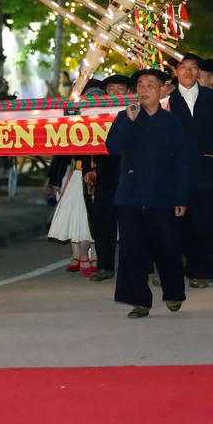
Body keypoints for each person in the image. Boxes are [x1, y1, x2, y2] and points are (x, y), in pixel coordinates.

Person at [106, 67, 189, 318]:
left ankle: (173, 292)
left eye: (150, 85)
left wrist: (181, 197)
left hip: (163, 196)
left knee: (168, 247)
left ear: (162, 89)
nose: (143, 89)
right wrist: (129, 122)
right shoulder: (126, 116)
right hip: (130, 196)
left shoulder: (172, 122)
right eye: (140, 85)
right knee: (132, 250)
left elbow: (182, 162)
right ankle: (139, 300)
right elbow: (113, 147)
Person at [168, 54, 213, 288]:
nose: (189, 72)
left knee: (207, 223)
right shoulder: (165, 100)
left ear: (199, 72)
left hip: (207, 170)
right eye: (183, 67)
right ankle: (171, 269)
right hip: (172, 172)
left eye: (194, 68)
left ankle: (201, 272)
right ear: (176, 71)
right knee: (172, 224)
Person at [85, 73, 129, 281]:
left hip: (131, 177)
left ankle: (134, 268)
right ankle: (105, 266)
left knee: (131, 226)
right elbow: (84, 143)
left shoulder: (135, 112)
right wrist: (88, 169)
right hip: (104, 176)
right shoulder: (95, 115)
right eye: (111, 89)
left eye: (121, 88)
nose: (116, 93)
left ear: (128, 92)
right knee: (103, 224)